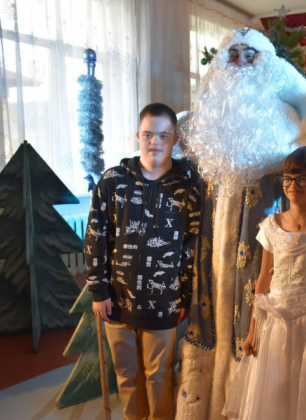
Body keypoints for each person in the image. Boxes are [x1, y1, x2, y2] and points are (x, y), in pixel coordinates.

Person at [176, 28, 306, 419]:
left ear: (266, 64)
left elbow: (303, 199)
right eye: (234, 55)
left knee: (252, 329)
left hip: (264, 258)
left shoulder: (285, 131)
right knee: (209, 315)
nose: (241, 63)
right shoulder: (206, 126)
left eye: (251, 55)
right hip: (211, 254)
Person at [86, 102, 201, 419]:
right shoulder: (113, 181)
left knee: (159, 376)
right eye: (148, 134)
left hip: (163, 301)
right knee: (126, 376)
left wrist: (185, 295)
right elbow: (95, 237)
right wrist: (98, 290)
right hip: (117, 299)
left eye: (163, 135)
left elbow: (190, 248)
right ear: (138, 135)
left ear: (175, 138)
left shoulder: (188, 188)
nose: (155, 142)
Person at [222, 146, 306, 420]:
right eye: (288, 179)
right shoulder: (272, 224)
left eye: (301, 179)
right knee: (272, 397)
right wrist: (252, 330)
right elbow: (263, 279)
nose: (293, 186)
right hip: (272, 326)